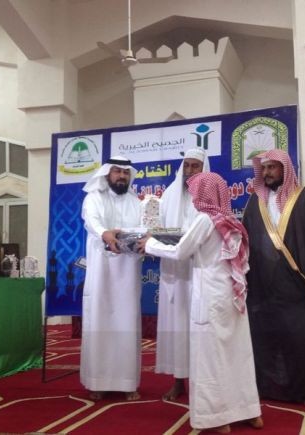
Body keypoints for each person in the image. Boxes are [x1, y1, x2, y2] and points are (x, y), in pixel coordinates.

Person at [140, 172, 263, 433]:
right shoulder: (230, 219)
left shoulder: (205, 219)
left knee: (209, 358)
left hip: (209, 297)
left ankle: (217, 419)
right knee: (237, 354)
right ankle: (249, 411)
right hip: (231, 296)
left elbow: (180, 251)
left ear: (205, 194)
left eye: (196, 192)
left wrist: (149, 244)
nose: (194, 197)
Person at [242, 148, 305, 406]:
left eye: (272, 167)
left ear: (285, 169)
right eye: (264, 168)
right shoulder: (255, 201)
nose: (267, 173)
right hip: (262, 286)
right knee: (265, 338)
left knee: (302, 341)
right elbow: (244, 242)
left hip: (298, 286)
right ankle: (268, 389)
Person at [79, 156, 143, 401]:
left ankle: (128, 383)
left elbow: (142, 229)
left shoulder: (136, 202)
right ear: (107, 174)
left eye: (126, 172)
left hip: (128, 269)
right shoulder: (94, 197)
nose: (122, 176)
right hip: (101, 268)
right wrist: (104, 233)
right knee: (100, 320)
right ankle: (98, 382)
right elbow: (92, 221)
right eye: (117, 171)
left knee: (127, 321)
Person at [156, 148, 210, 401]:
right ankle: (179, 382)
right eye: (186, 165)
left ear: (203, 168)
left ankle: (203, 383)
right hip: (174, 272)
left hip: (200, 269)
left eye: (195, 166)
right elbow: (157, 228)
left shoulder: (211, 195)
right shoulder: (169, 194)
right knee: (177, 326)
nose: (189, 170)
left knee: (200, 328)